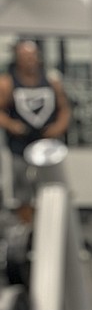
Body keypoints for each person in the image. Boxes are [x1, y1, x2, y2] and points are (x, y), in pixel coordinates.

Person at [0, 39, 71, 223]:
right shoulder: (7, 83)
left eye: (32, 56)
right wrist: (11, 124)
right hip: (20, 144)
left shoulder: (51, 81)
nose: (29, 60)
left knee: (52, 187)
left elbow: (64, 108)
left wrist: (58, 127)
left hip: (46, 144)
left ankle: (51, 224)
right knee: (23, 188)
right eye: (24, 56)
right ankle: (26, 228)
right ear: (17, 58)